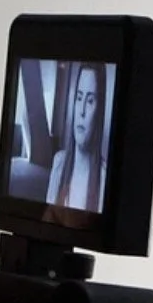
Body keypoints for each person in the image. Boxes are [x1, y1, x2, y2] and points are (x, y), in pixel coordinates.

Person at [46, 62, 107, 213]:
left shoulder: (104, 177)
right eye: (79, 98)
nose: (82, 111)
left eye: (90, 101)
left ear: (99, 111)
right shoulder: (59, 162)